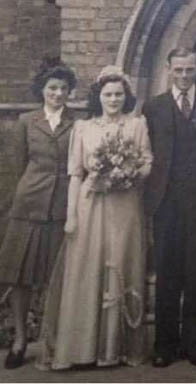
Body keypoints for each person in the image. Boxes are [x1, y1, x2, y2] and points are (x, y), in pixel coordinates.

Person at [37, 65, 152, 370]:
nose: (113, 99)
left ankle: (115, 348)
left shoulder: (137, 125)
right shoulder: (83, 129)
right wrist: (71, 216)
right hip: (90, 205)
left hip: (125, 205)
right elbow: (75, 174)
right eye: (107, 94)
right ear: (98, 97)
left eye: (118, 94)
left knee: (121, 263)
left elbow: (147, 161)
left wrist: (128, 175)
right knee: (88, 269)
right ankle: (82, 347)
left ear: (125, 97)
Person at [142, 47, 196, 368]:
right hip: (166, 203)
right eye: (178, 70)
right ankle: (165, 346)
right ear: (169, 70)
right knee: (168, 274)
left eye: (189, 70)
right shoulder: (154, 107)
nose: (184, 76)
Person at [0, 58, 77, 369]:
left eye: (63, 88)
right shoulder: (26, 122)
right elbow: (17, 167)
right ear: (42, 91)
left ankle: (52, 340)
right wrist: (24, 197)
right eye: (52, 88)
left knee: (54, 278)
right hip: (28, 208)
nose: (57, 94)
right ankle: (19, 339)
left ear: (69, 92)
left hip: (61, 209)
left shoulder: (77, 123)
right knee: (20, 277)